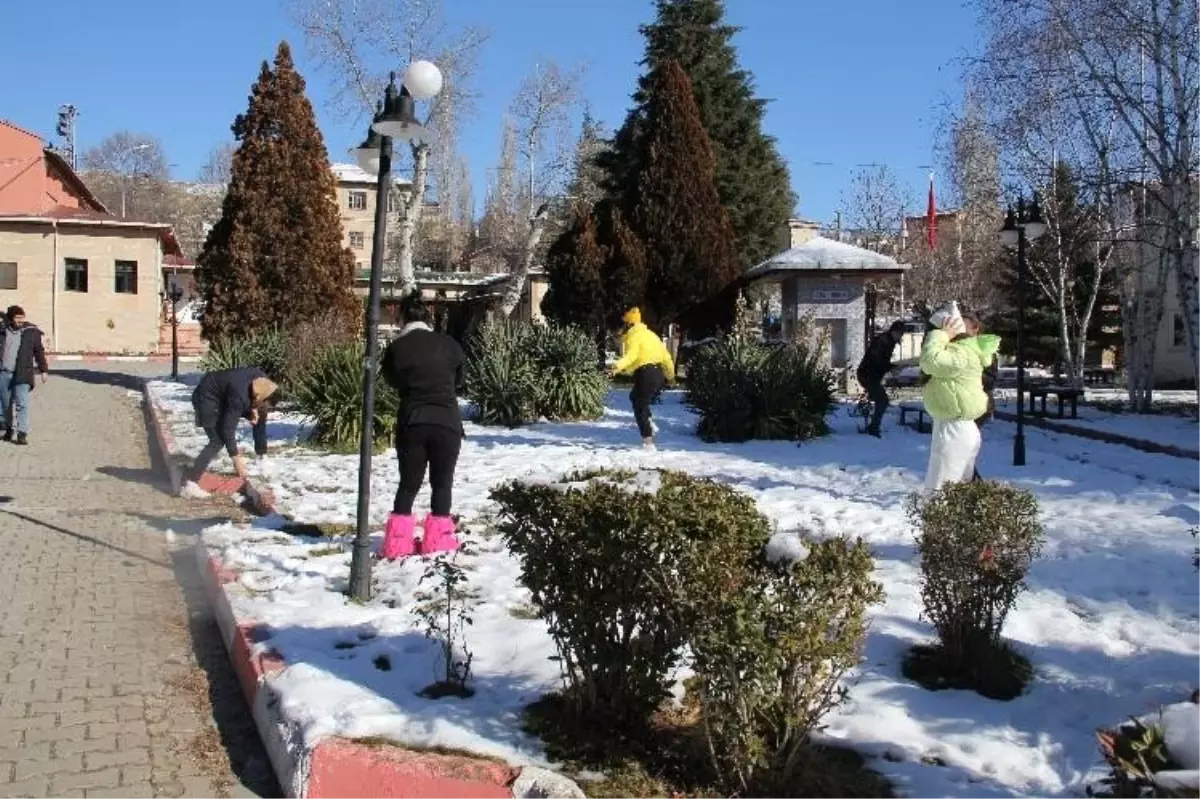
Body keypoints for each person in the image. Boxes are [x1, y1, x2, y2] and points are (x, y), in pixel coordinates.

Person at [379, 292, 466, 559]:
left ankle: (398, 544)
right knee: (442, 484)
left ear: (402, 317)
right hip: (447, 422)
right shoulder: (450, 345)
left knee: (408, 484)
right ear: (428, 318)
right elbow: (460, 379)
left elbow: (391, 380)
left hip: (413, 421)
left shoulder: (397, 348)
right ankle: (439, 542)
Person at [919, 303, 1001, 492]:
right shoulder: (969, 350)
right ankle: (978, 512)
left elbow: (929, 361)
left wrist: (940, 335)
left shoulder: (961, 351)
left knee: (940, 488)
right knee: (961, 484)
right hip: (960, 423)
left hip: (955, 425)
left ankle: (950, 519)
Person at [184, 366, 277, 495]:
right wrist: (236, 460)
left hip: (226, 393)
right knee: (217, 440)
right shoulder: (239, 396)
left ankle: (261, 456)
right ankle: (191, 482)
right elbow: (228, 428)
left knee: (261, 414)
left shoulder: (262, 379)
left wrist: (254, 409)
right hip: (206, 397)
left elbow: (255, 397)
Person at [609, 307, 676, 451]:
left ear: (629, 325)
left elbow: (631, 356)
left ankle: (648, 442)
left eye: (621, 327)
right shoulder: (652, 335)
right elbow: (667, 358)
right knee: (636, 398)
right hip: (658, 375)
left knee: (639, 406)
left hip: (646, 374)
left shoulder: (634, 337)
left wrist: (615, 367)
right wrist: (670, 377)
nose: (619, 332)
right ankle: (649, 422)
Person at [0, 305, 48, 445]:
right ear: (10, 319)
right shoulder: (3, 331)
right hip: (4, 373)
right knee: (6, 404)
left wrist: (43, 370)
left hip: (23, 373)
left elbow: (39, 351)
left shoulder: (31, 332)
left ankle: (22, 433)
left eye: (22, 318)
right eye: (17, 318)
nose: (20, 321)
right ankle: (9, 429)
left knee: (22, 403)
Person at [856, 320, 908, 437]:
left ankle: (872, 424)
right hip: (867, 375)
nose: (900, 337)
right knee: (883, 400)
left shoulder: (889, 341)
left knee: (880, 399)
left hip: (871, 376)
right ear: (894, 331)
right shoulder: (882, 341)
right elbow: (877, 359)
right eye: (899, 334)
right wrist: (891, 367)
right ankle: (873, 428)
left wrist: (891, 368)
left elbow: (882, 361)